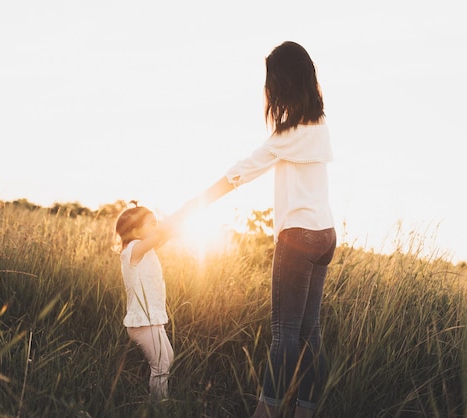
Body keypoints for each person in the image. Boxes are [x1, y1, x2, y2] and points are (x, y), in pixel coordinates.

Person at [188, 41, 336, 418]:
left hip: (298, 237)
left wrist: (199, 203)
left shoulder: (288, 136)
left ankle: (264, 414)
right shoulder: (319, 126)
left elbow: (243, 171)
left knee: (284, 333)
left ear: (282, 83)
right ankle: (305, 411)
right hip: (325, 236)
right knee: (309, 333)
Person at [114, 203, 194, 400]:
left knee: (168, 358)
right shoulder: (132, 250)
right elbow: (160, 234)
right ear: (134, 230)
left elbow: (162, 235)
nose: (156, 226)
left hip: (152, 319)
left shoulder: (144, 249)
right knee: (160, 366)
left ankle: (159, 400)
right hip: (142, 322)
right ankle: (159, 407)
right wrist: (185, 210)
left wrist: (177, 225)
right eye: (151, 223)